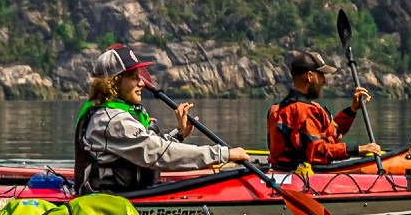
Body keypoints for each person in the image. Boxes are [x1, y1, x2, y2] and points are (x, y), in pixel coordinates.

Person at [73, 44, 246, 194]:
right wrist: (224, 154)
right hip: (112, 202)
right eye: (134, 78)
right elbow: (159, 154)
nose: (141, 83)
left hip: (130, 193)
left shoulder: (116, 114)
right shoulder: (112, 121)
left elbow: (145, 147)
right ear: (114, 82)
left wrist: (178, 135)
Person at [267, 51, 382, 174]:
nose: (324, 81)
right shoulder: (305, 111)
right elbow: (317, 151)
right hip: (303, 177)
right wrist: (358, 149)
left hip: (280, 171)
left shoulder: (276, 109)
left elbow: (331, 135)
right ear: (310, 76)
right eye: (321, 75)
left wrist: (352, 110)